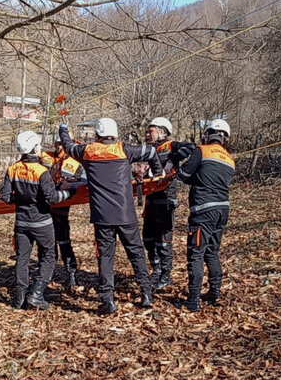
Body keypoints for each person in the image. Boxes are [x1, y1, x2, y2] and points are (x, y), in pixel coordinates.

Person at [59, 118, 164, 315]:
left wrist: (63, 128)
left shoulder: (87, 151)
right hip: (125, 214)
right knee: (136, 254)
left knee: (105, 257)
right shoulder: (124, 150)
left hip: (102, 216)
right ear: (114, 134)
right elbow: (150, 152)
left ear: (97, 134)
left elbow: (68, 145)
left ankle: (107, 299)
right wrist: (157, 173)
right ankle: (146, 293)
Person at [0, 131, 74, 310]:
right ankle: (36, 294)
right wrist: (70, 193)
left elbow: (4, 196)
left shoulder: (12, 169)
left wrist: (19, 201)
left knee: (22, 258)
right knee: (49, 257)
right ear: (34, 147)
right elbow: (53, 197)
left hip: (21, 222)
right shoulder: (41, 171)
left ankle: (19, 298)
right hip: (42, 222)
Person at [172, 119, 235, 312]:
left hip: (203, 210)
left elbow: (183, 173)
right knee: (212, 252)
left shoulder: (202, 150)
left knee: (196, 253)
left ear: (208, 134)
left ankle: (192, 300)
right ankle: (214, 291)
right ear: (224, 137)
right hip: (222, 210)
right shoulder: (230, 159)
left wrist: (176, 161)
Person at [142, 117, 194, 290]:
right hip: (150, 199)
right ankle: (156, 269)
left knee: (164, 241)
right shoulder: (149, 149)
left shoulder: (170, 145)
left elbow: (190, 148)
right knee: (148, 238)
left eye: (151, 131)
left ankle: (165, 274)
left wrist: (176, 157)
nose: (147, 134)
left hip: (165, 199)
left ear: (162, 131)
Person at [43, 140, 86, 287]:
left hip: (62, 205)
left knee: (64, 240)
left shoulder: (75, 163)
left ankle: (71, 273)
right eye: (57, 143)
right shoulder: (45, 157)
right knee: (47, 241)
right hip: (45, 204)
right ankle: (47, 273)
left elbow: (81, 183)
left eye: (62, 144)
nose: (59, 147)